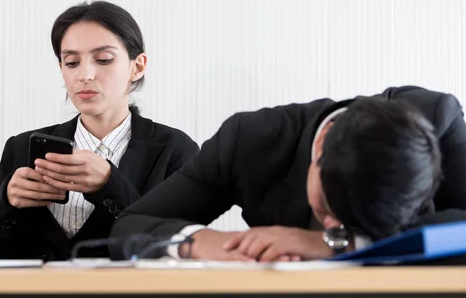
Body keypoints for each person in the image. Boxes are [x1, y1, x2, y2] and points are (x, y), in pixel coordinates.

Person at [110, 86, 466, 261]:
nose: (334, 224)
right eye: (327, 208)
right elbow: (129, 224)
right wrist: (199, 242)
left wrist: (331, 244)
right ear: (322, 144)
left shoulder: (436, 119)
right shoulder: (249, 142)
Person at [0, 1, 199, 260]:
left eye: (104, 59)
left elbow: (180, 252)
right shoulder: (21, 147)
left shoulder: (175, 150)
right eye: (71, 62)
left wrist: (110, 184)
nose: (85, 74)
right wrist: (5, 203)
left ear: (137, 67)